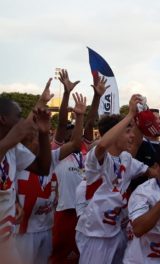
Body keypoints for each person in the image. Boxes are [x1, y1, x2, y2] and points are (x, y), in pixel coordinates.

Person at [75, 94, 157, 264]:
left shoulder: (126, 160)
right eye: (127, 131)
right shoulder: (96, 159)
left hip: (117, 232)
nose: (132, 136)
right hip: (95, 235)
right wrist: (129, 114)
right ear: (115, 133)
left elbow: (152, 172)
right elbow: (103, 145)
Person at [16, 91, 87, 264]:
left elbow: (76, 143)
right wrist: (40, 101)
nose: (39, 139)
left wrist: (79, 117)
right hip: (22, 232)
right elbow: (24, 128)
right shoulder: (16, 159)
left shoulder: (50, 158)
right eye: (33, 137)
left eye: (42, 136)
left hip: (46, 228)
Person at [51, 70, 108, 263]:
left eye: (72, 129)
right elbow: (60, 124)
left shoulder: (85, 147)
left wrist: (97, 97)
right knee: (60, 256)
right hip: (66, 210)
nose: (69, 132)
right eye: (68, 130)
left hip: (87, 211)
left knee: (83, 256)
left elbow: (90, 122)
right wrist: (66, 94)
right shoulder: (57, 151)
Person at [0, 80, 52, 263]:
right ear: (3, 119)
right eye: (18, 116)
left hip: (7, 243)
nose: (23, 120)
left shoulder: (14, 149)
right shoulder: (10, 144)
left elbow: (43, 168)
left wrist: (44, 134)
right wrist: (12, 139)